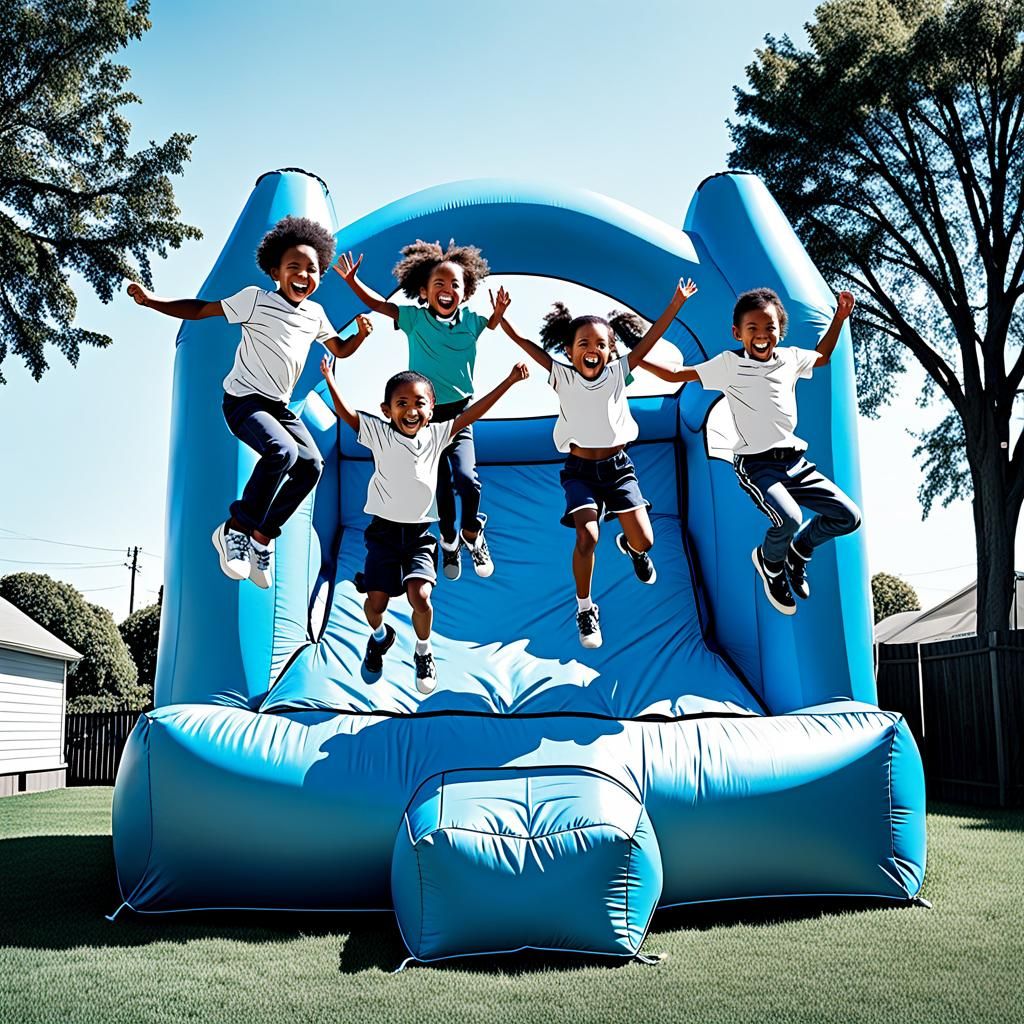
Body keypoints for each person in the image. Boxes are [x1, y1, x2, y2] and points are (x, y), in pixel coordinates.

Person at [128, 216, 372, 589]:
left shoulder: (315, 315)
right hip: (243, 401)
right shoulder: (256, 301)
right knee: (282, 452)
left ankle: (262, 537)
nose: (304, 275)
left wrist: (360, 337)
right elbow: (201, 309)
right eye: (294, 267)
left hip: (279, 406)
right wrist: (153, 301)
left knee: (311, 465)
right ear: (276, 271)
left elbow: (339, 348)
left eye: (312, 269)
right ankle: (235, 528)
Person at [492, 278, 698, 649]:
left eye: (601, 344)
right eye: (584, 343)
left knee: (646, 540)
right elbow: (527, 345)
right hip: (581, 472)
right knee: (587, 535)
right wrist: (503, 320)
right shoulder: (563, 376)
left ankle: (632, 548)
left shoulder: (620, 372)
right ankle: (585, 608)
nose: (593, 349)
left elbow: (648, 340)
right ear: (569, 351)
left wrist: (675, 303)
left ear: (611, 350)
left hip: (619, 471)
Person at [640, 287, 861, 615]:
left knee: (848, 517)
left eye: (769, 328)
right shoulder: (729, 365)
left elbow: (823, 356)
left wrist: (840, 318)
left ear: (779, 332)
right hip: (758, 466)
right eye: (752, 329)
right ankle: (771, 564)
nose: (762, 335)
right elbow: (675, 374)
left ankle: (799, 551)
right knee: (790, 517)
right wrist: (634, 358)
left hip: (795, 463)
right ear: (737, 333)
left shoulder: (789, 358)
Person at [319, 356, 529, 693]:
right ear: (387, 410)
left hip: (419, 536)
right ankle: (380, 636)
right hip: (383, 534)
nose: (411, 410)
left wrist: (508, 381)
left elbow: (471, 414)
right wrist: (330, 380)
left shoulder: (437, 435)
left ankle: (423, 650)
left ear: (431, 410)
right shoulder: (380, 434)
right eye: (402, 403)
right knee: (376, 605)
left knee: (422, 597)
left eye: (419, 403)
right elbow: (348, 416)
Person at [333, 240, 503, 581]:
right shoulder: (414, 319)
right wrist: (353, 282)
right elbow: (379, 304)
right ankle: (450, 539)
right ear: (423, 292)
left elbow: (494, 325)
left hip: (457, 416)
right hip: (423, 420)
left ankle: (472, 532)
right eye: (438, 284)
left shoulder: (472, 321)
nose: (446, 289)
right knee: (438, 488)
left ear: (465, 293)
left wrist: (497, 313)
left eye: (455, 284)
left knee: (467, 480)